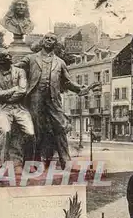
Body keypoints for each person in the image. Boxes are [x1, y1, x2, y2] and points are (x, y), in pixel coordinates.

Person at [15, 32, 86, 168]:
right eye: (47, 38)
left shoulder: (60, 62)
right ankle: (32, 161)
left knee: (60, 127)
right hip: (35, 98)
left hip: (53, 99)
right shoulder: (30, 58)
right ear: (42, 41)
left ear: (55, 43)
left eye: (52, 39)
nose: (49, 40)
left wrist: (79, 88)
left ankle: (66, 160)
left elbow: (68, 82)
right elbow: (16, 68)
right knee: (34, 129)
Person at [0, 48, 35, 168]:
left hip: (19, 108)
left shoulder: (20, 72)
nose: (10, 57)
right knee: (6, 131)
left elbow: (23, 90)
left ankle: (29, 163)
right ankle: (2, 164)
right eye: (6, 56)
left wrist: (5, 96)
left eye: (9, 55)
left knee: (30, 133)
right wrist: (13, 89)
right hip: (3, 109)